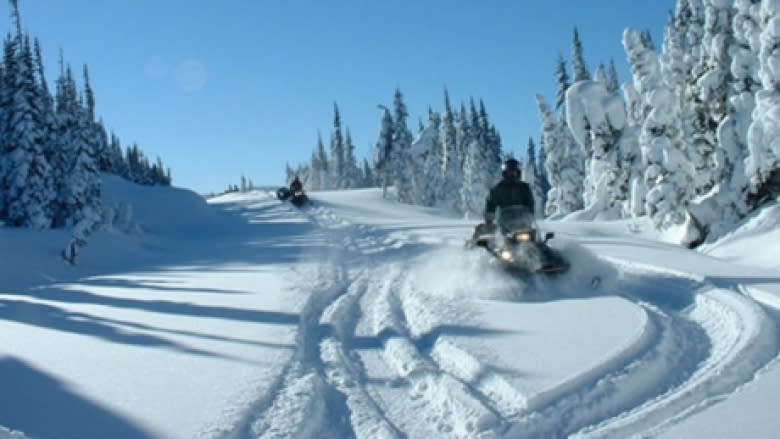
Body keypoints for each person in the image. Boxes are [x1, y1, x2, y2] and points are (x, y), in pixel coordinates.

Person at [473, 158, 535, 239]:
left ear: (518, 173)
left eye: (514, 172)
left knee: (534, 240)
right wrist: (489, 220)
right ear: (505, 173)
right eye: (509, 172)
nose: (512, 175)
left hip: (521, 224)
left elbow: (530, 203)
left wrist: (529, 217)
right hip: (504, 224)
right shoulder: (498, 188)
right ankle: (476, 248)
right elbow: (490, 204)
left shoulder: (524, 188)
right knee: (488, 236)